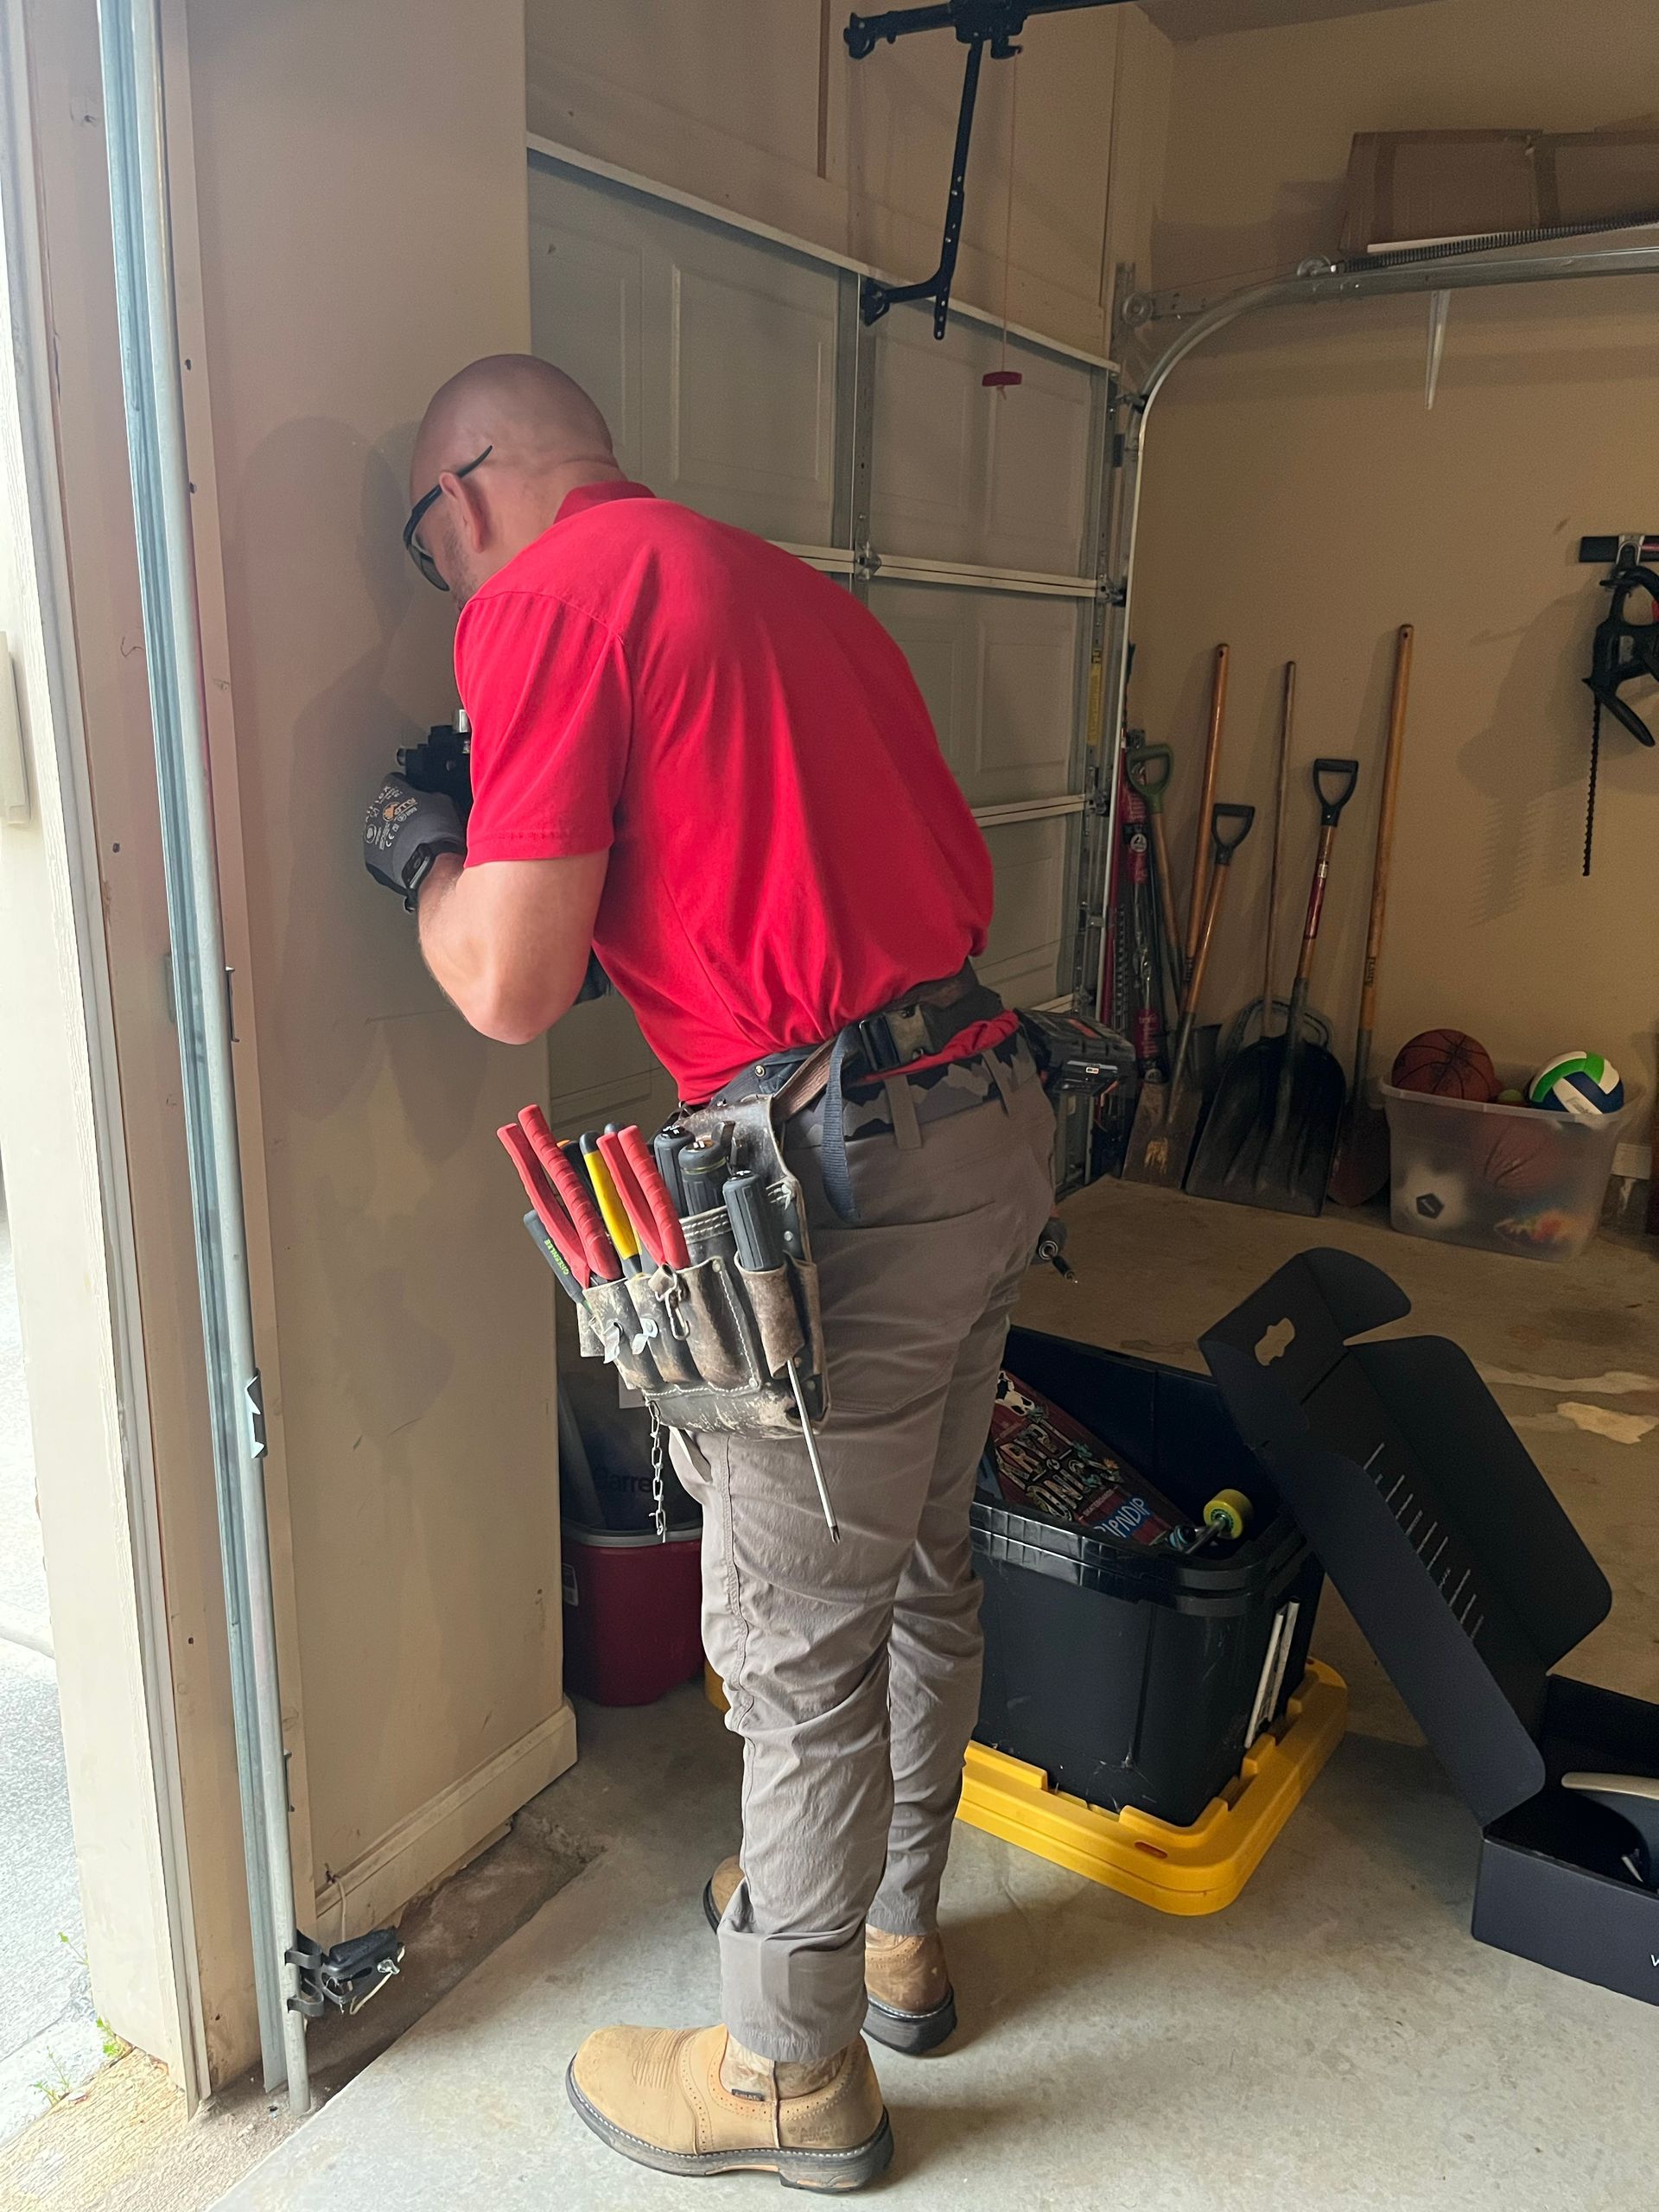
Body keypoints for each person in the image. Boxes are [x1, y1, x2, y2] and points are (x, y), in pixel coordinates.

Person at [365, 354, 1056, 2190]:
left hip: (842, 1169)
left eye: (430, 538)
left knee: (793, 1645)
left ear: (471, 490)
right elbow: (724, 880)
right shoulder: (785, 595)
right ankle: (889, 1931)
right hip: (985, 1103)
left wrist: (435, 857)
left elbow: (507, 979)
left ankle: (787, 2071)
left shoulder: (538, 601)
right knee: (918, 1563)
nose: (446, 576)